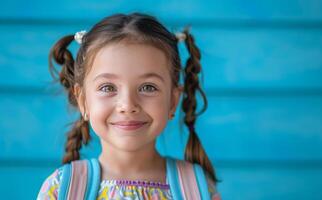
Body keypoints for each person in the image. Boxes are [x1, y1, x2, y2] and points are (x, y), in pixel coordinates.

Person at [37, 12, 221, 199]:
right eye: (108, 87)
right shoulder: (60, 190)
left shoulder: (199, 190)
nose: (127, 105)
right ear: (83, 101)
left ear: (173, 101)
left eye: (148, 87)